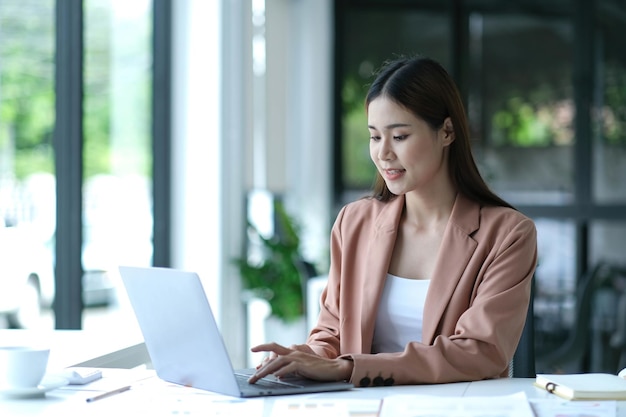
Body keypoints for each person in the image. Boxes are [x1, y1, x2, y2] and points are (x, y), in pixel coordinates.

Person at [248, 55, 538, 386]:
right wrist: (301, 358)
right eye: (375, 137)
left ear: (446, 132)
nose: (383, 153)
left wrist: (351, 368)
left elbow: (478, 352)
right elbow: (331, 334)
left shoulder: (507, 234)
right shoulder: (354, 222)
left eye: (399, 136)